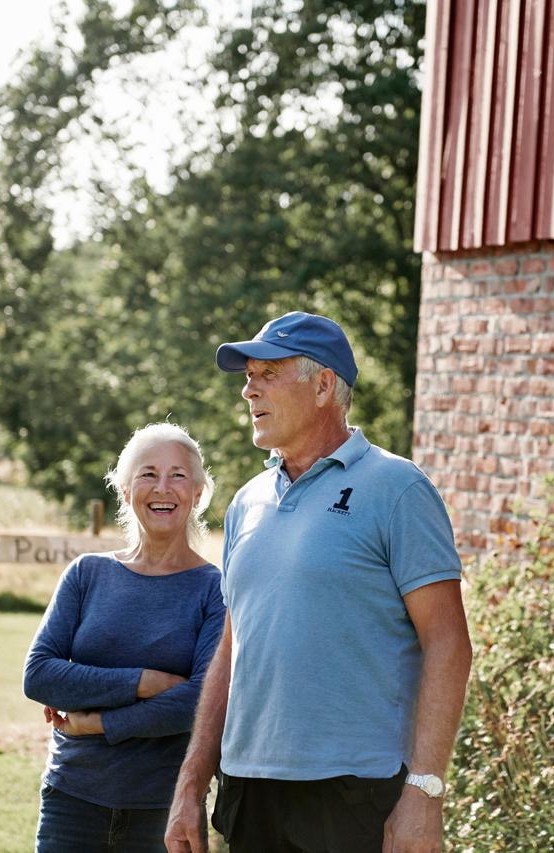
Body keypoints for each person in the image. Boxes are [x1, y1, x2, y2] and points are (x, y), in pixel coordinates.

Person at [164, 312, 473, 853]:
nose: (248, 390)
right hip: (249, 789)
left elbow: (448, 642)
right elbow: (233, 649)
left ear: (324, 384)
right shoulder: (247, 501)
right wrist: (191, 782)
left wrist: (425, 792)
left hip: (354, 795)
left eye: (267, 374)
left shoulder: (398, 488)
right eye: (247, 375)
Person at [24, 422, 226, 853]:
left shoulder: (215, 588)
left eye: (177, 476)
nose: (162, 488)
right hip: (71, 799)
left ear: (197, 493)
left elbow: (201, 702)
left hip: (163, 809)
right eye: (148, 474)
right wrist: (144, 682)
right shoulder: (86, 574)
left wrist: (98, 722)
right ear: (124, 489)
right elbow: (40, 675)